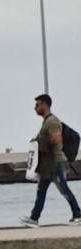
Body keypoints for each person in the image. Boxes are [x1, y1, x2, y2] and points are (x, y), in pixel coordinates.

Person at [23, 93, 81, 227]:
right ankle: (34, 218)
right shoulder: (47, 121)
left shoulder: (52, 121)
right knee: (41, 191)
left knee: (63, 189)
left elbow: (57, 139)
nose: (35, 108)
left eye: (37, 105)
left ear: (44, 104)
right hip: (48, 165)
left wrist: (41, 141)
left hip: (55, 163)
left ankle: (78, 214)